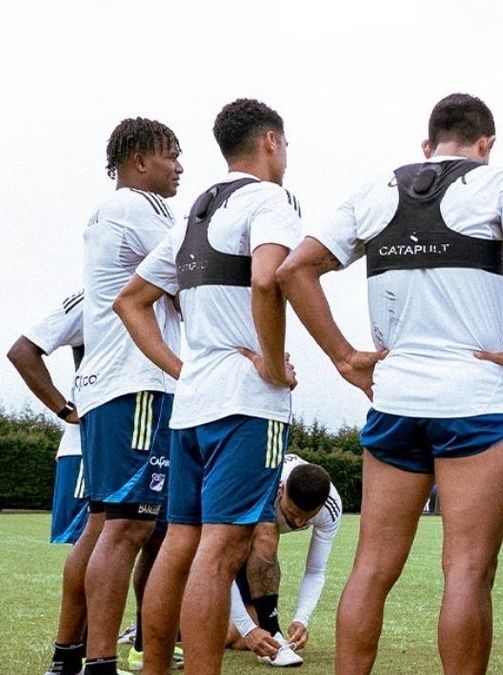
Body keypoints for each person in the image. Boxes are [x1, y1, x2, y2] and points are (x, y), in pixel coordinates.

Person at [276, 92, 503, 674]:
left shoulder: (374, 191)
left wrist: (344, 357)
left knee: (371, 569)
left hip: (396, 402)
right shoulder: (498, 182)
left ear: (427, 145)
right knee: (466, 571)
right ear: (485, 145)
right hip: (475, 404)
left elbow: (293, 269)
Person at [115, 98, 301, 675]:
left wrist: (182, 368)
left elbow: (131, 301)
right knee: (220, 553)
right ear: (270, 141)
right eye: (286, 145)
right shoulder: (270, 200)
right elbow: (270, 279)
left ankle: (154, 668)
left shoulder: (195, 211)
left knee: (179, 546)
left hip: (193, 404)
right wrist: (272, 361)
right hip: (246, 404)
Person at [76, 118, 183, 675]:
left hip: (104, 385)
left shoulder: (104, 212)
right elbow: (195, 268)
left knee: (105, 525)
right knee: (129, 527)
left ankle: (73, 656)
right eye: (172, 156)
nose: (180, 168)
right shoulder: (142, 209)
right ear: (140, 159)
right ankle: (98, 661)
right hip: (136, 384)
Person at [8, 290, 93, 675]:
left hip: (129, 444)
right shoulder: (93, 295)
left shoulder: (163, 296)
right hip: (88, 448)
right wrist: (65, 410)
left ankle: (95, 654)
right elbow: (22, 350)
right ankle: (68, 660)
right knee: (94, 544)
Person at [226, 454, 343, 668]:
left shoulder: (330, 507)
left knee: (236, 638)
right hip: (221, 545)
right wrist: (249, 629)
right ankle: (273, 631)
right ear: (281, 490)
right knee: (267, 529)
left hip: (252, 559)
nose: (299, 522)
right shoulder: (260, 486)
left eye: (307, 517)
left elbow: (315, 571)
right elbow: (221, 566)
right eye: (293, 512)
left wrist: (302, 619)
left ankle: (180, 627)